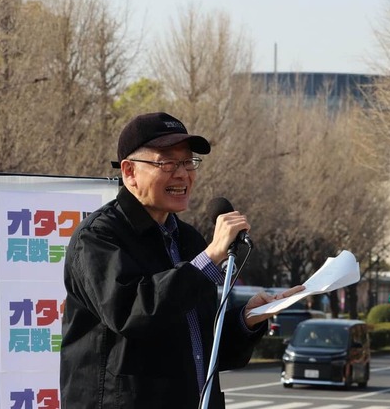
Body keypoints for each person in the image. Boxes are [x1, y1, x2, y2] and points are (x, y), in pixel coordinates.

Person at [60, 111, 304, 409]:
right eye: (167, 163)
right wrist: (211, 257)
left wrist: (246, 319)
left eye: (188, 162)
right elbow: (132, 313)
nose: (182, 174)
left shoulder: (189, 240)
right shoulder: (98, 236)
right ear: (129, 171)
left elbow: (200, 345)